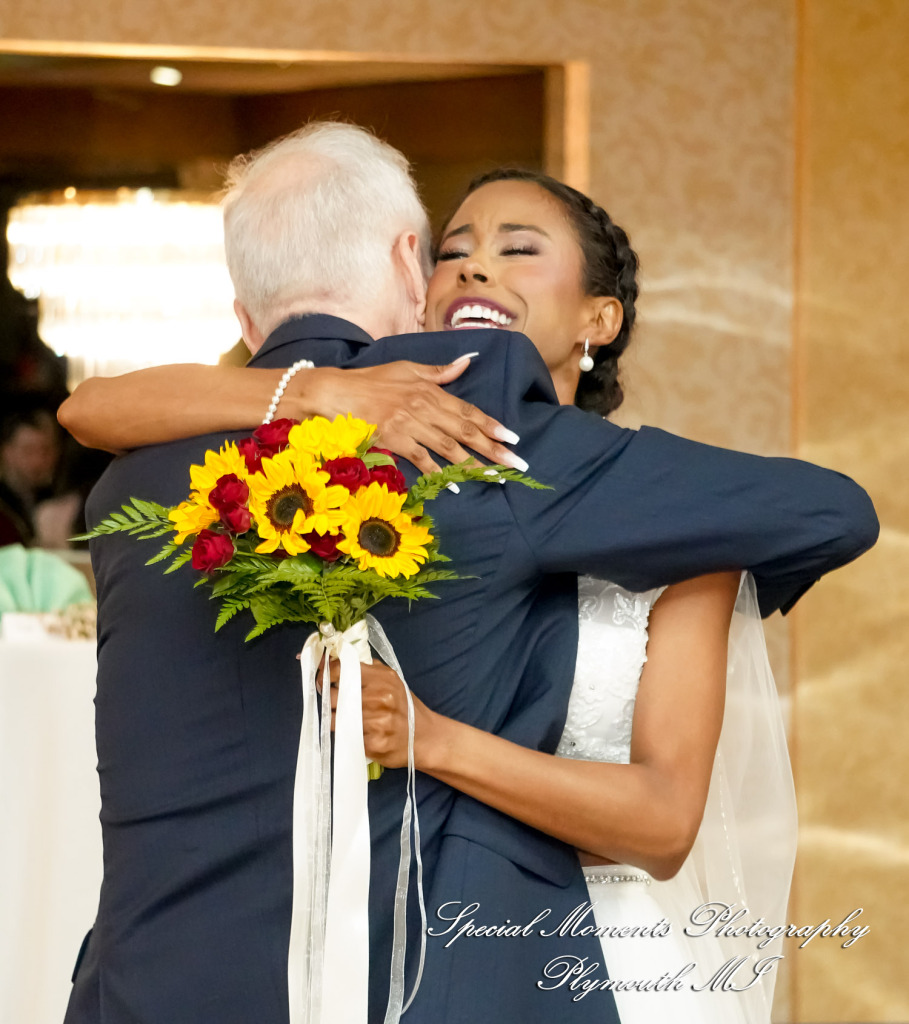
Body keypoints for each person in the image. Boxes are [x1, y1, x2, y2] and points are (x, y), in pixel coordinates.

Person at [60, 123, 877, 1024]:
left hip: (212, 968)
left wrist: (440, 739)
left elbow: (668, 811)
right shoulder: (442, 435)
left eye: (518, 250)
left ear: (599, 317)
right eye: (455, 250)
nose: (476, 271)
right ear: (413, 274)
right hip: (421, 961)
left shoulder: (137, 471)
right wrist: (325, 391)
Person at [0, 397, 60, 547]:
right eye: (28, 451)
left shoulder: (58, 500)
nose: (38, 461)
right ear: (7, 452)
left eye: (46, 450)